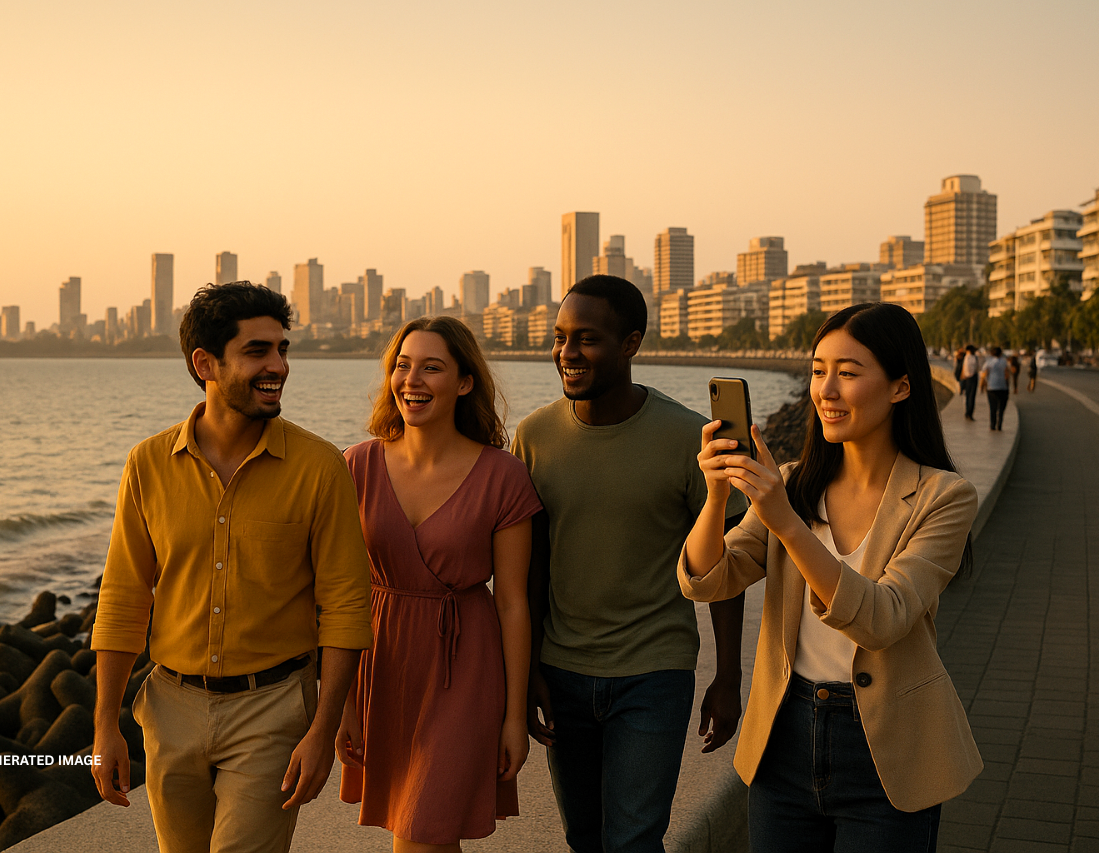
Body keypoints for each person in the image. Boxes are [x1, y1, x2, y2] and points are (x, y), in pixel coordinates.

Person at [679, 302, 980, 852]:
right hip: (784, 737)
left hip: (889, 752)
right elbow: (706, 580)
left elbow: (882, 619)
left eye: (848, 372)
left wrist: (787, 524)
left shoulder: (942, 498)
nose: (826, 391)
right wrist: (717, 493)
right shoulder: (794, 483)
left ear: (901, 387)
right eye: (818, 371)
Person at [90, 282, 372, 853]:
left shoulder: (320, 467)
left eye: (282, 350)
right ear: (205, 364)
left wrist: (323, 728)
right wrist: (104, 727)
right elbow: (124, 597)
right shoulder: (147, 465)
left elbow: (346, 605)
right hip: (170, 709)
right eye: (257, 352)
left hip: (272, 709)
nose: (279, 367)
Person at [511, 275, 748, 853]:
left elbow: (726, 567)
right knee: (584, 837)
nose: (567, 353)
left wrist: (728, 676)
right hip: (562, 670)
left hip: (654, 672)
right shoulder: (534, 437)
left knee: (634, 840)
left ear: (631, 343)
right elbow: (531, 567)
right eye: (560, 337)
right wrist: (527, 670)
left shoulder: (689, 436)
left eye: (587, 339)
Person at [337, 316, 541, 851]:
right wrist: (339, 703)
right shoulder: (356, 466)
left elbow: (513, 603)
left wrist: (514, 717)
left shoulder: (503, 476)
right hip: (381, 662)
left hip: (463, 670)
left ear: (464, 382)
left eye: (431, 368)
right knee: (424, 830)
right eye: (402, 366)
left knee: (423, 830)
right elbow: (337, 594)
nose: (412, 380)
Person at [980, 346, 1010, 431]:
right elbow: (1007, 375)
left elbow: (984, 374)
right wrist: (1008, 386)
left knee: (992, 408)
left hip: (991, 388)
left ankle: (992, 425)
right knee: (1001, 408)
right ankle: (999, 425)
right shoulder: (1004, 362)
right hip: (1003, 387)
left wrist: (981, 386)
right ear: (1001, 353)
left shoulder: (988, 362)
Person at [957, 343, 980, 420]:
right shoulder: (970, 357)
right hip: (969, 378)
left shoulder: (970, 357)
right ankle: (968, 413)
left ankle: (968, 413)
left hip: (969, 378)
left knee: (969, 396)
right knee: (970, 396)